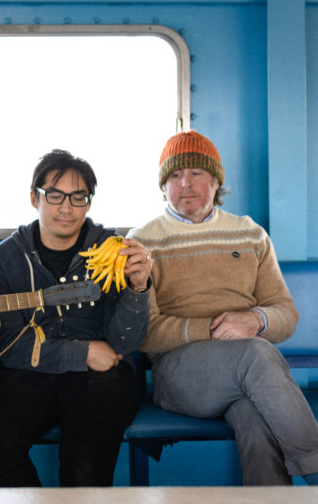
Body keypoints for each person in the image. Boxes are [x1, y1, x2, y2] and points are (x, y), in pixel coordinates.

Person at [128, 130, 318, 485]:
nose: (185, 184)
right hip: (180, 374)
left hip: (247, 374)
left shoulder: (250, 234)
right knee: (256, 355)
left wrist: (255, 320)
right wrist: (216, 330)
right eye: (174, 175)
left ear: (216, 181)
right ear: (163, 185)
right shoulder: (143, 242)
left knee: (256, 418)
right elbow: (144, 333)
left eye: (196, 173)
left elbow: (285, 314)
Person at [0, 149, 152, 487]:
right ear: (35, 198)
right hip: (31, 373)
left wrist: (139, 286)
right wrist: (82, 352)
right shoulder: (4, 259)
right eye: (55, 195)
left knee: (84, 461)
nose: (66, 207)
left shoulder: (112, 251)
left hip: (103, 376)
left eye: (79, 197)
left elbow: (123, 343)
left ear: (89, 202)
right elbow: (9, 345)